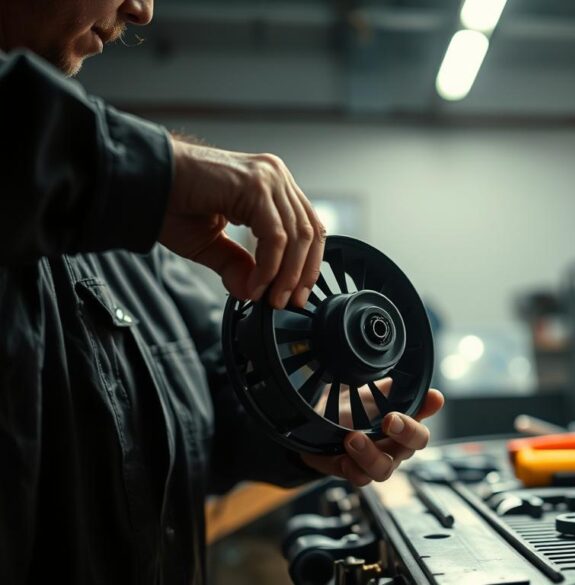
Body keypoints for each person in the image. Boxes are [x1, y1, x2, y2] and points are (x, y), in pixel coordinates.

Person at [0, 0, 445, 582]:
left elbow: (208, 412)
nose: (141, 10)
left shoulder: (126, 242)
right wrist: (157, 169)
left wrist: (310, 428)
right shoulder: (115, 185)